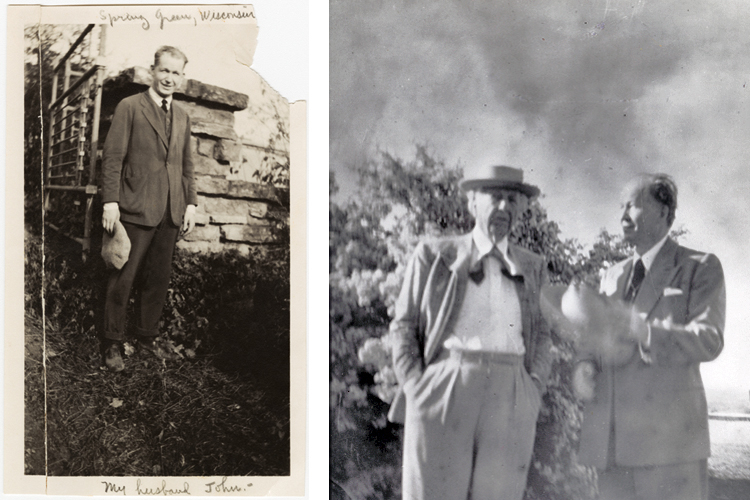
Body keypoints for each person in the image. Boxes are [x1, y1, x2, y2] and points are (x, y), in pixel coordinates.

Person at [387, 165, 552, 500]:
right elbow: (404, 325)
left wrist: (533, 388)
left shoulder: (534, 266)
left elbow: (544, 334)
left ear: (521, 209)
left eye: (512, 200)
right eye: (495, 197)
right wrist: (416, 386)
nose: (504, 207)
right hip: (445, 387)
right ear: (473, 203)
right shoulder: (435, 254)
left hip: (512, 393)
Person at [574, 173, 725, 500]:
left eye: (634, 205)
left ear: (664, 211)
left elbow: (709, 338)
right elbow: (597, 338)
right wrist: (585, 364)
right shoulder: (612, 275)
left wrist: (644, 331)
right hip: (611, 447)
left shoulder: (699, 266)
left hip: (668, 448)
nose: (623, 216)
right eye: (621, 207)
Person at [99, 46, 197, 371]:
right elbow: (112, 157)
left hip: (171, 209)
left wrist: (191, 203)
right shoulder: (130, 106)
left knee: (158, 278)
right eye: (164, 70)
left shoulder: (182, 115)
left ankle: (146, 337)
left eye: (176, 73)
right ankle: (112, 343)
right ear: (152, 71)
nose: (169, 78)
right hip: (134, 204)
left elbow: (187, 165)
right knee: (122, 276)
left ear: (182, 77)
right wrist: (110, 201)